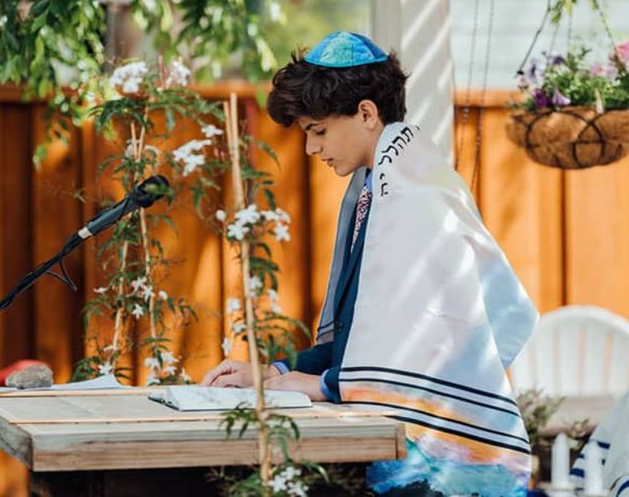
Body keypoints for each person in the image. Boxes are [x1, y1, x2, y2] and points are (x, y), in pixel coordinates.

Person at [201, 31, 539, 496]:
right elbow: (363, 342)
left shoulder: (416, 199)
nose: (311, 149)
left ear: (365, 113)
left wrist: (318, 384)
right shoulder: (380, 189)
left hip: (444, 470)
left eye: (318, 131)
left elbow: (423, 356)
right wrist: (272, 374)